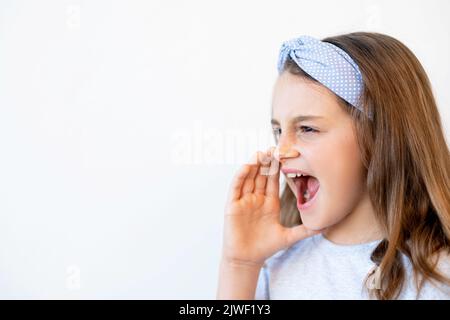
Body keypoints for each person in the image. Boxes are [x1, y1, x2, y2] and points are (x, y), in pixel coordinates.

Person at [216, 32, 450, 300]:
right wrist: (239, 265)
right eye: (279, 131)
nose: (280, 152)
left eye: (307, 128)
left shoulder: (436, 281)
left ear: (379, 137)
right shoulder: (274, 265)